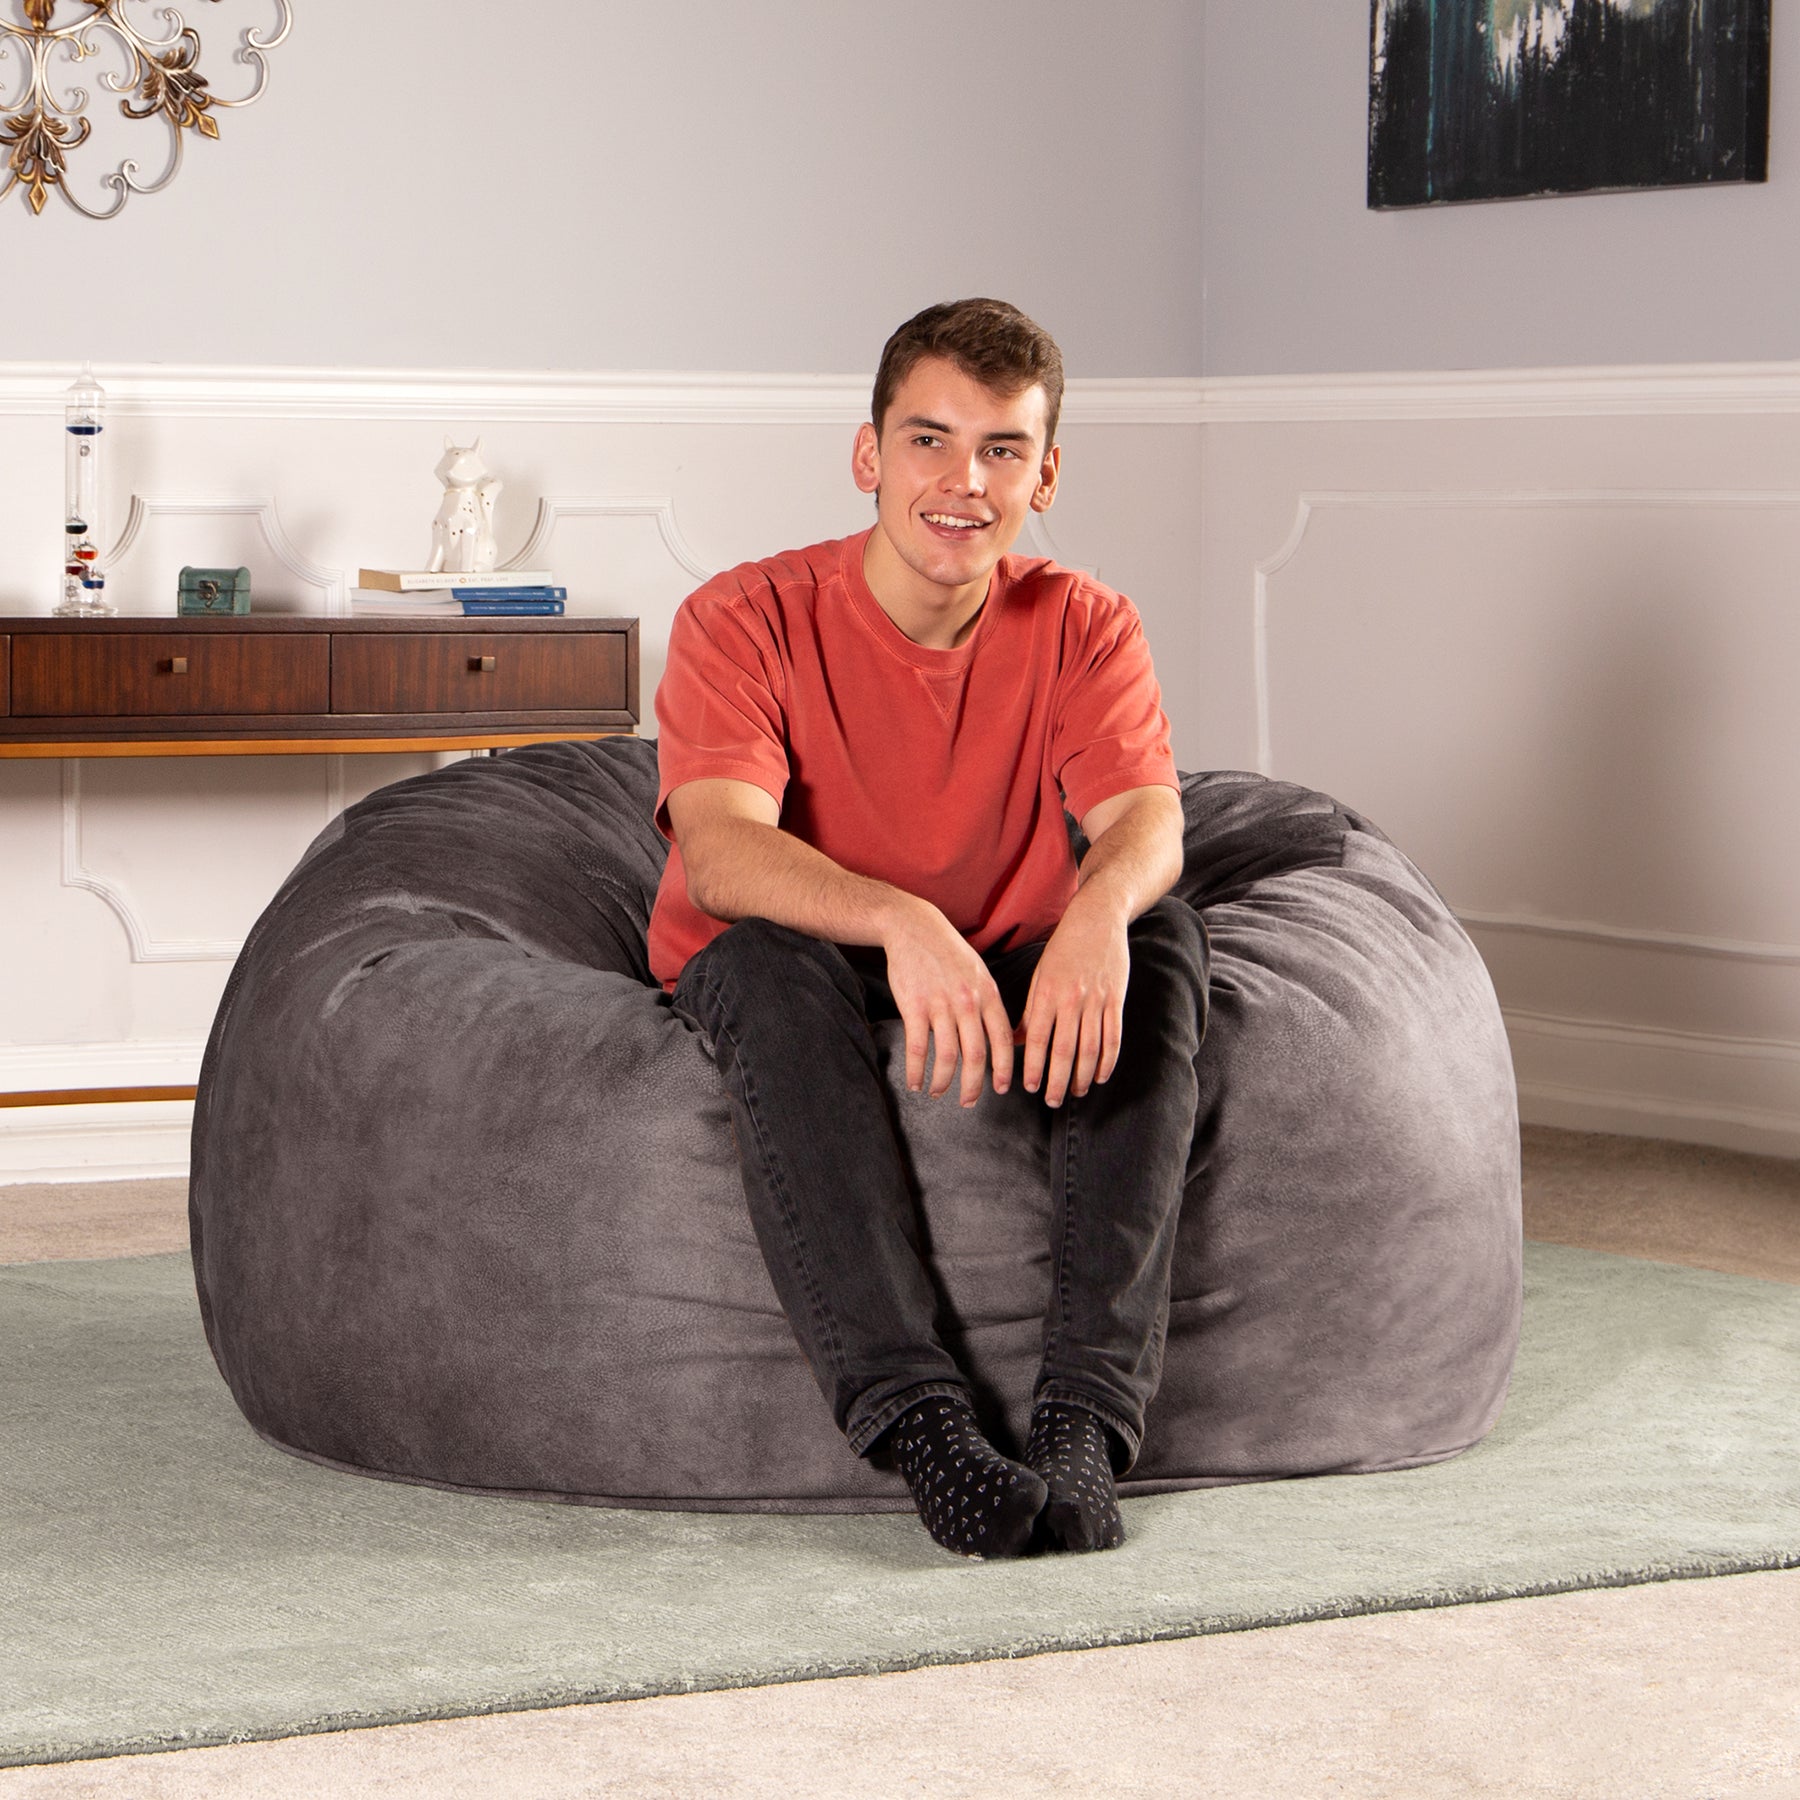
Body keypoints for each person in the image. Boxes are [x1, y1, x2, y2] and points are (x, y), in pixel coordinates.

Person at [650, 298, 1208, 1559]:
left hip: (1000, 953)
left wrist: (1100, 910)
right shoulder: (743, 615)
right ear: (870, 455)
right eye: (929, 441)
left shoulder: (1086, 622)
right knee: (770, 969)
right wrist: (901, 921)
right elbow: (722, 852)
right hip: (796, 954)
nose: (965, 483)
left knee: (1164, 945)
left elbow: (1147, 821)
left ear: (1045, 475)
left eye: (1003, 450)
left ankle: (1082, 1421)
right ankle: (922, 1426)